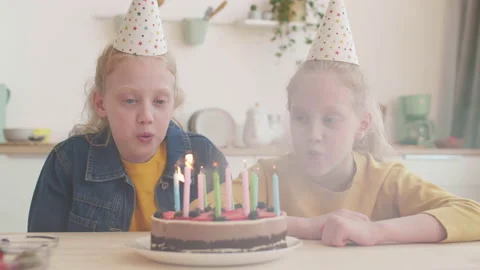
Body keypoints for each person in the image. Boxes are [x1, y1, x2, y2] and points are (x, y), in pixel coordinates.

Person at [197, 0, 480, 247]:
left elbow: (471, 214)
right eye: (301, 118)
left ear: (362, 125)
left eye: (331, 119)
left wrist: (376, 231)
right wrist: (308, 226)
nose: (313, 135)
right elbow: (199, 213)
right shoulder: (267, 176)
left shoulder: (385, 179)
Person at [27, 0, 227, 232]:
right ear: (101, 103)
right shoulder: (68, 162)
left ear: (173, 103)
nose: (146, 116)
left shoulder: (203, 157)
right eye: (130, 101)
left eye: (159, 102)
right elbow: (41, 251)